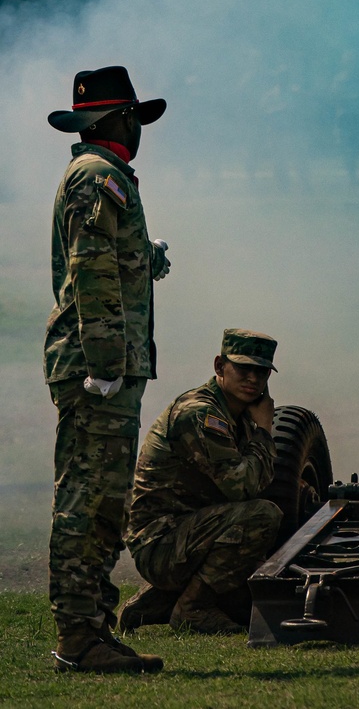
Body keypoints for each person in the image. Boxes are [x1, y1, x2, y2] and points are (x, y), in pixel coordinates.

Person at [45, 66, 170, 674]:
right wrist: (103, 364)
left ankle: (91, 630)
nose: (139, 129)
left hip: (107, 361)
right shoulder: (99, 177)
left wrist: (147, 258)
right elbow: (91, 269)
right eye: (134, 118)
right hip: (100, 365)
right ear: (113, 121)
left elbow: (108, 258)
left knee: (103, 501)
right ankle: (78, 635)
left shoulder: (102, 176)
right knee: (90, 499)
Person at [120, 329, 282, 635]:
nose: (253, 379)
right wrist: (263, 431)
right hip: (160, 542)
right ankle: (191, 608)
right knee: (262, 516)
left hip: (184, 532)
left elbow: (257, 482)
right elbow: (243, 486)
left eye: (261, 372)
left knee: (253, 584)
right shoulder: (202, 414)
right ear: (220, 366)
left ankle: (156, 603)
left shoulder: (237, 415)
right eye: (243, 368)